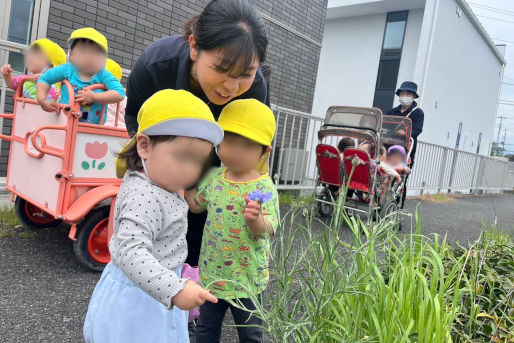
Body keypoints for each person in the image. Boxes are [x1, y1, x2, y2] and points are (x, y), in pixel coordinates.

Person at [124, 0, 270, 271]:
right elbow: (134, 116)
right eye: (222, 69)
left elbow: (251, 143)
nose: (231, 86)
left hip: (213, 163)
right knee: (146, 226)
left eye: (245, 74)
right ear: (194, 46)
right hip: (161, 159)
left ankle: (191, 294)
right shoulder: (156, 64)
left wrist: (241, 189)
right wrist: (154, 168)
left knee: (200, 229)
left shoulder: (255, 89)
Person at [83, 89, 222, 343]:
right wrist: (175, 288)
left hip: (152, 288)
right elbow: (129, 251)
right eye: (183, 158)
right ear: (145, 146)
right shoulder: (144, 195)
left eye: (199, 162)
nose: (192, 171)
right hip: (140, 299)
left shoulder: (158, 181)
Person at [186, 99, 279, 343]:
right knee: (206, 330)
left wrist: (256, 221)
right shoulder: (215, 177)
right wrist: (183, 185)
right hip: (213, 274)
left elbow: (270, 228)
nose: (236, 151)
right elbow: (197, 205)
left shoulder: (263, 186)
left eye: (247, 145)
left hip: (247, 278)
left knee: (250, 334)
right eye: (229, 141)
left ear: (264, 151)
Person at [37, 28, 125, 125]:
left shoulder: (103, 75)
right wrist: (42, 100)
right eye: (83, 51)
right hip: (64, 124)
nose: (89, 57)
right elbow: (44, 79)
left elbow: (119, 93)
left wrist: (94, 97)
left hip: (93, 130)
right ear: (72, 54)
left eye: (96, 53)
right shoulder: (66, 69)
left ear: (104, 59)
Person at [387, 81, 424, 207]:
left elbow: (417, 130)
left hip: (406, 151)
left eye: (408, 93)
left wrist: (406, 132)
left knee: (400, 179)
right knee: (384, 177)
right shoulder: (392, 111)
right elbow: (385, 125)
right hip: (389, 148)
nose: (405, 96)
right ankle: (381, 204)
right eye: (402, 93)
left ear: (413, 96)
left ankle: (397, 207)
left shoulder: (418, 112)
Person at [1, 38, 65, 101]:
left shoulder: (54, 84)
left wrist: (44, 81)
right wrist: (7, 75)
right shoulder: (25, 79)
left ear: (50, 65)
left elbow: (53, 98)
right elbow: (12, 84)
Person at [104, 58, 127, 128]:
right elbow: (128, 113)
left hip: (92, 127)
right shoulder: (121, 96)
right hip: (118, 129)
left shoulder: (90, 93)